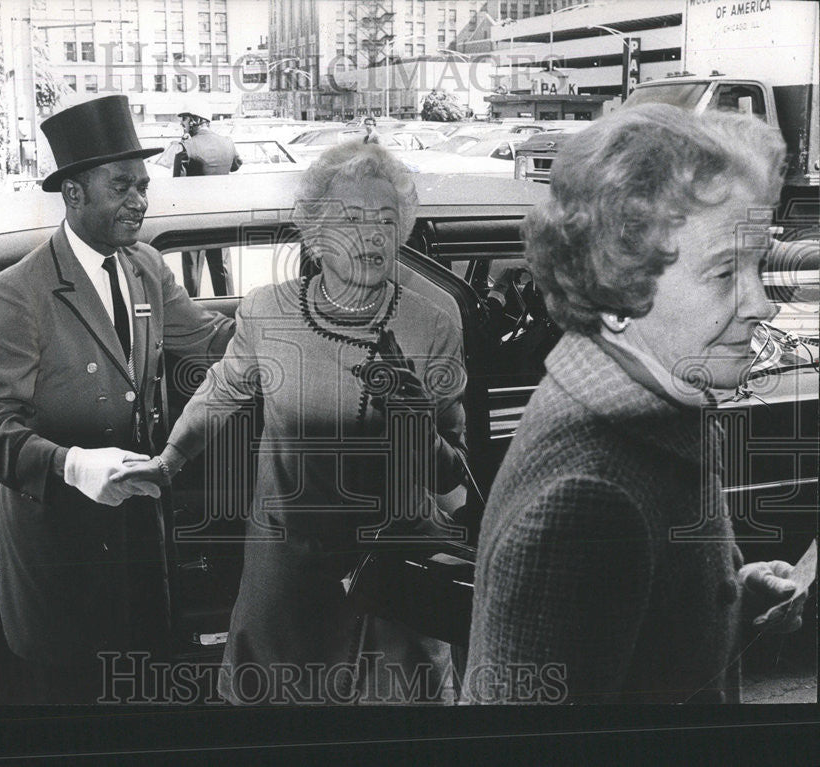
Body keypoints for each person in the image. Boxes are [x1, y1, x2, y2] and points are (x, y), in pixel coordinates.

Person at [462, 104, 808, 704]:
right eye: (727, 272)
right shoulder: (586, 502)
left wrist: (726, 595)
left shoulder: (656, 398)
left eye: (759, 263)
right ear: (617, 290)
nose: (762, 304)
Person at [116, 142, 470, 704]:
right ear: (315, 233)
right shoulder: (266, 310)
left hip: (394, 580)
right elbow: (223, 390)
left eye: (385, 218)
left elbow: (456, 488)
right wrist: (171, 459)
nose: (373, 234)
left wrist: (417, 428)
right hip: (289, 573)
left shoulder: (432, 323)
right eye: (352, 218)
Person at [0, 95, 235, 703]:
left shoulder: (144, 267)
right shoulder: (19, 291)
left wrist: (291, 314)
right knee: (76, 702)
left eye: (142, 185)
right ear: (74, 193)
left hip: (139, 536)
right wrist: (74, 465)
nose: (139, 200)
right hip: (64, 554)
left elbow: (211, 339)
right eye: (122, 187)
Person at [175, 105, 242, 297]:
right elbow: (236, 165)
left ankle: (194, 309)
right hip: (221, 214)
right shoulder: (227, 142)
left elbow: (177, 184)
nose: (182, 123)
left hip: (193, 217)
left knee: (193, 269)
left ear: (195, 120)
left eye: (184, 119)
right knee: (222, 267)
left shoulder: (187, 147)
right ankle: (229, 311)